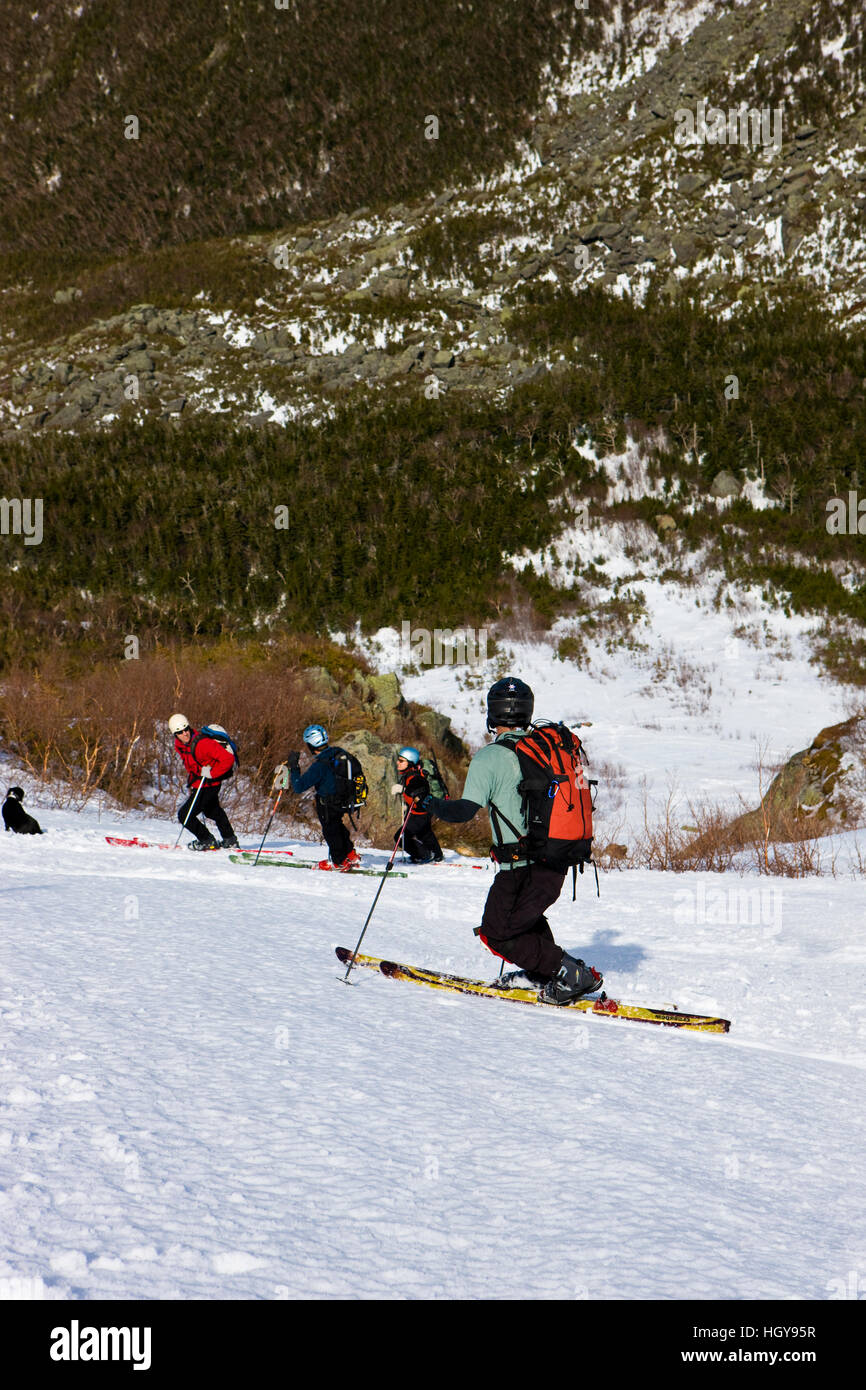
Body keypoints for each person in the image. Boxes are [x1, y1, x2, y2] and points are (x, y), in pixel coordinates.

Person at [421, 677, 603, 1004]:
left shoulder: (490, 757)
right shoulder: (542, 749)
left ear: (493, 715)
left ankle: (571, 974)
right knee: (525, 920)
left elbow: (463, 812)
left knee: (498, 933)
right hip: (556, 857)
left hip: (520, 867)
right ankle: (544, 973)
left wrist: (429, 804)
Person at [279, 724, 361, 871]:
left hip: (328, 804)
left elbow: (298, 787)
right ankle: (350, 853)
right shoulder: (338, 753)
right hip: (344, 801)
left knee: (330, 831)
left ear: (311, 745)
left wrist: (294, 768)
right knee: (337, 826)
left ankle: (339, 861)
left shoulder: (320, 765)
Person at [169, 713, 239, 851]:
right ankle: (229, 839)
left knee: (185, 815)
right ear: (175, 734)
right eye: (180, 732)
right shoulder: (181, 746)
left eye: (186, 729)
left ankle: (207, 840)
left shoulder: (203, 744)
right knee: (213, 811)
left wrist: (212, 773)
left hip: (208, 785)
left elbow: (228, 759)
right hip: (201, 784)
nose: (185, 733)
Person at [391, 747, 443, 864]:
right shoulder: (410, 774)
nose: (397, 763)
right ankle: (437, 855)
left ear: (410, 762)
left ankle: (425, 855)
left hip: (419, 814)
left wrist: (403, 789)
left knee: (400, 838)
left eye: (401, 761)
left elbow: (418, 791)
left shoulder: (415, 777)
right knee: (425, 833)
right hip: (423, 812)